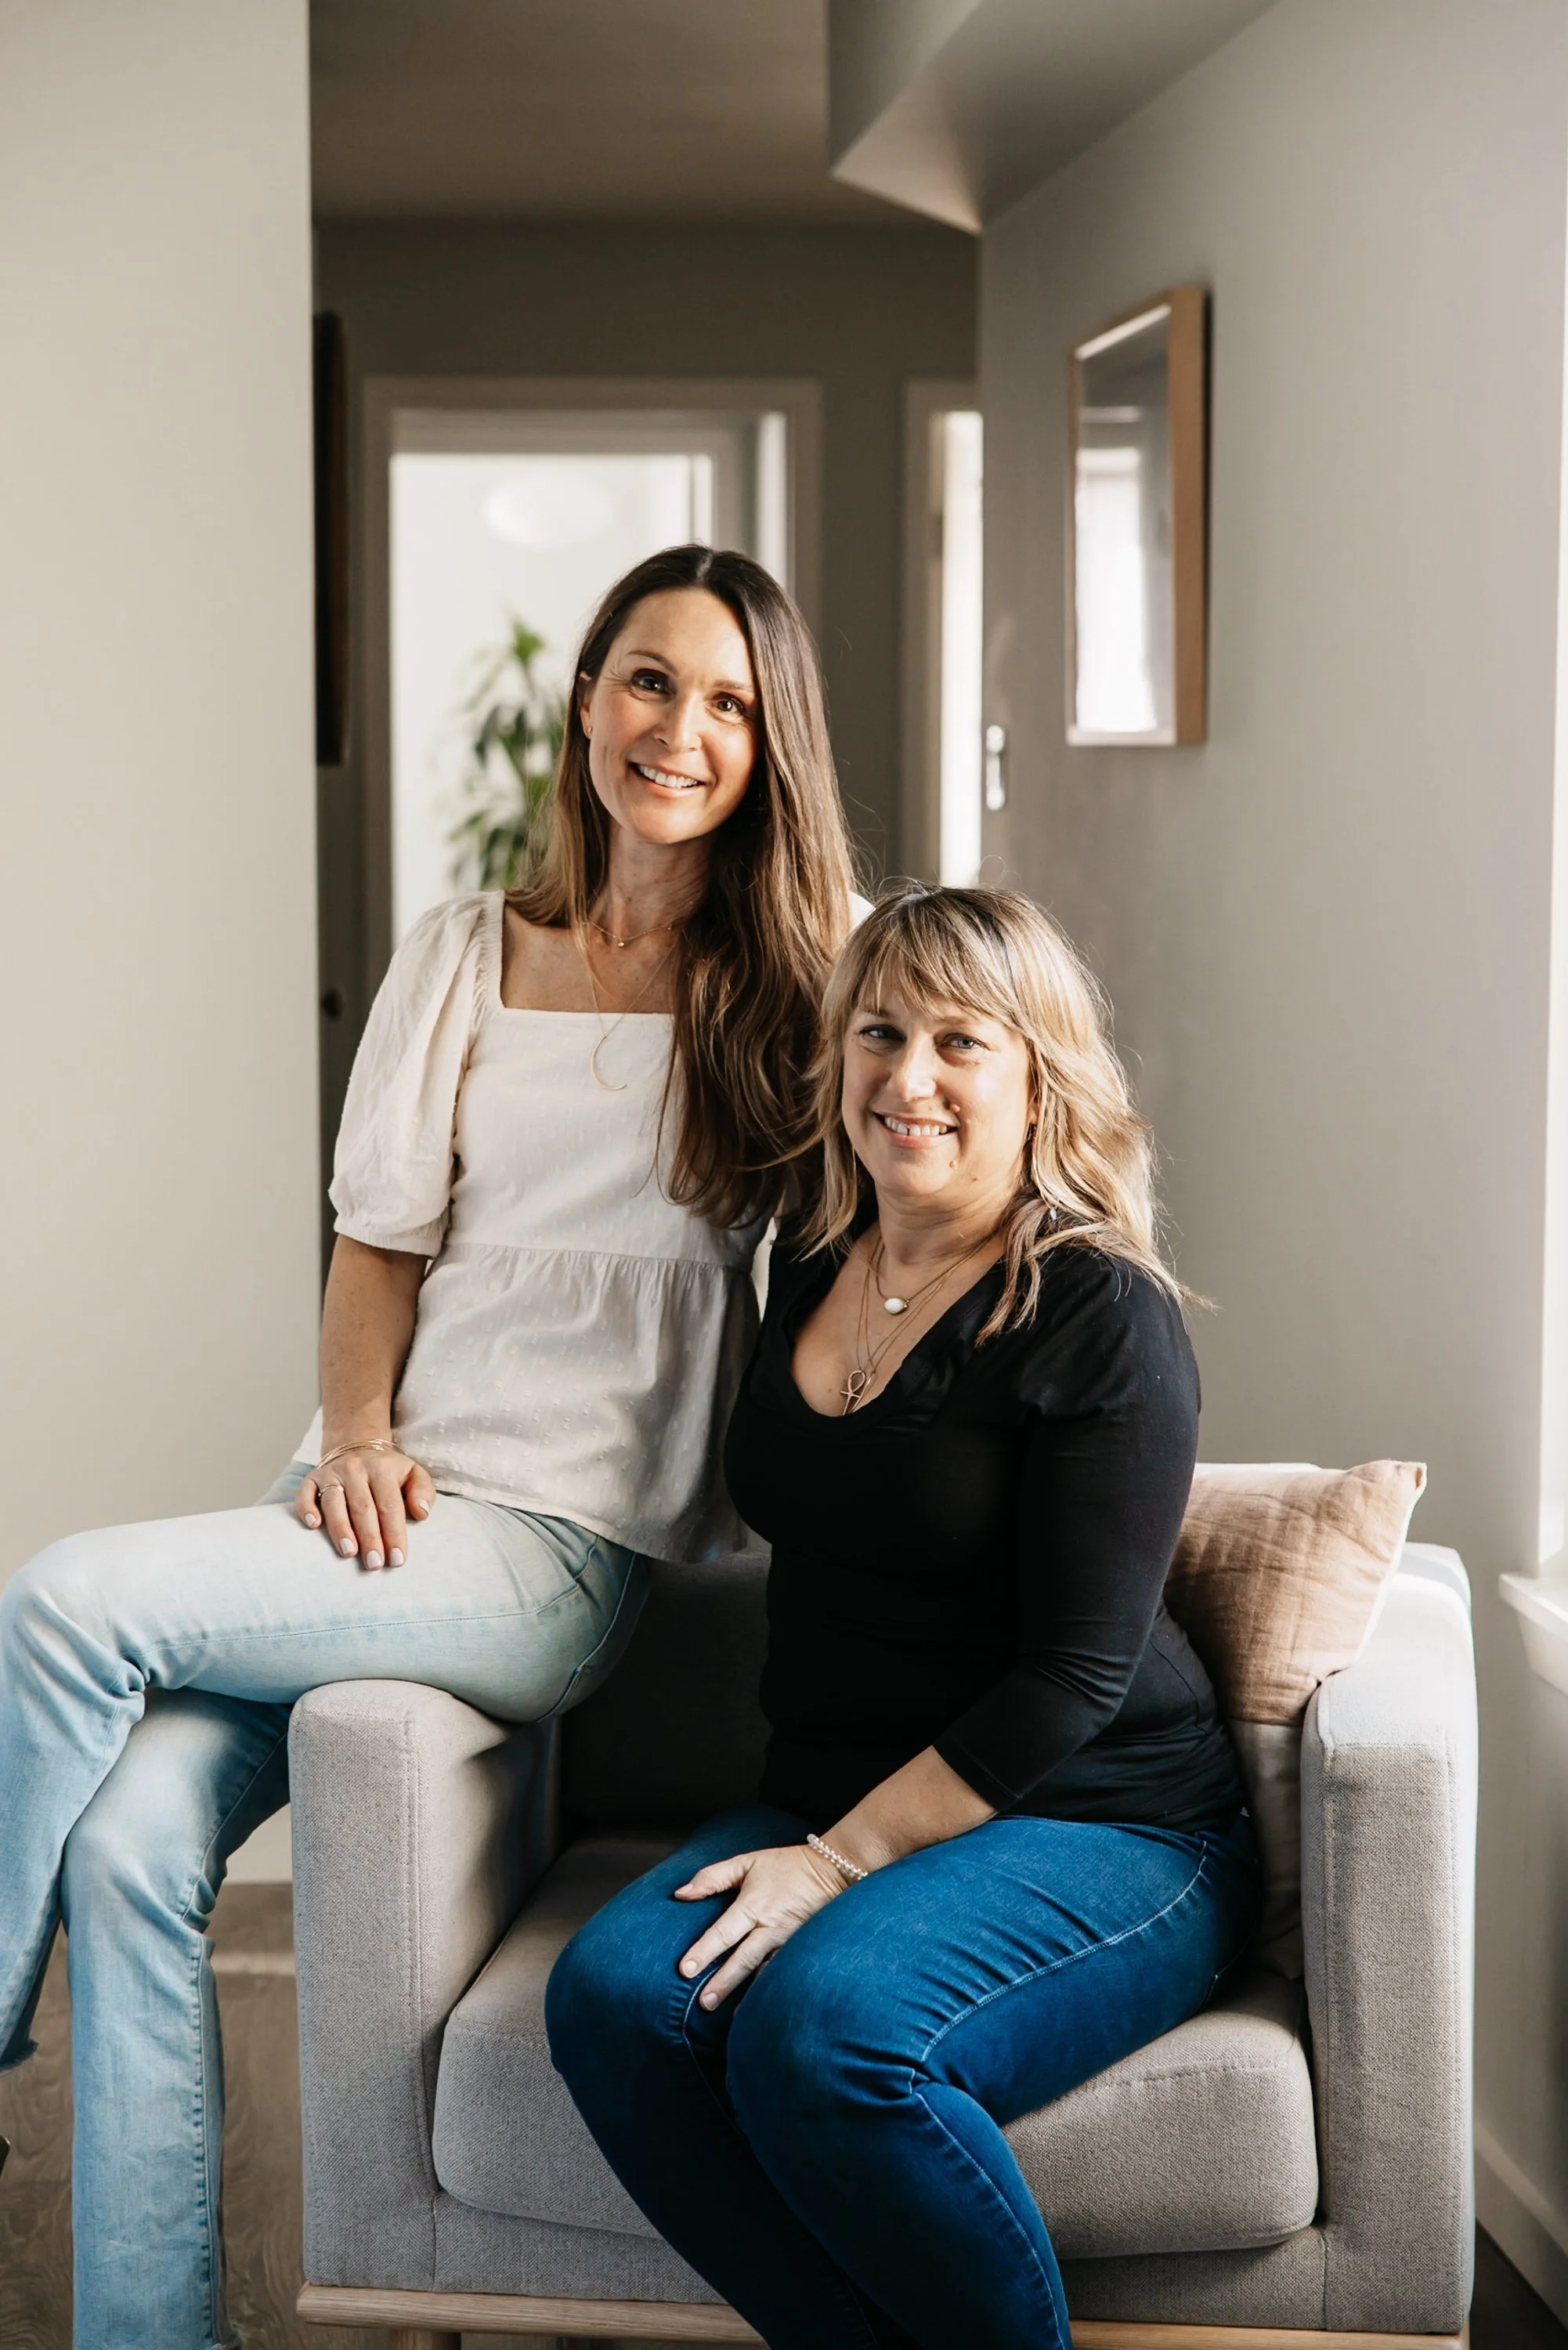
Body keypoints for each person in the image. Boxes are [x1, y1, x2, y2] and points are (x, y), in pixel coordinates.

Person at [0, 544, 860, 2350]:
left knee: (64, 1602)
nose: (677, 729)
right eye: (646, 679)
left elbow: (940, 1113)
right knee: (130, 1847)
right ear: (585, 698)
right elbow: (377, 1247)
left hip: (551, 1553)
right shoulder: (470, 951)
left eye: (723, 701)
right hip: (372, 1506)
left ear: (772, 743)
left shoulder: (796, 992)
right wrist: (355, 1433)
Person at [547, 884, 1261, 2350]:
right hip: (827, 1795)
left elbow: (1073, 1672)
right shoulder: (808, 1254)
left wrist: (834, 1863)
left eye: (959, 1042)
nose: (907, 1078)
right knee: (614, 2002)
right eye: (878, 1033)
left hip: (1101, 1822)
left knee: (827, 2040)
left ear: (1037, 1076)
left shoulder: (1098, 1312)